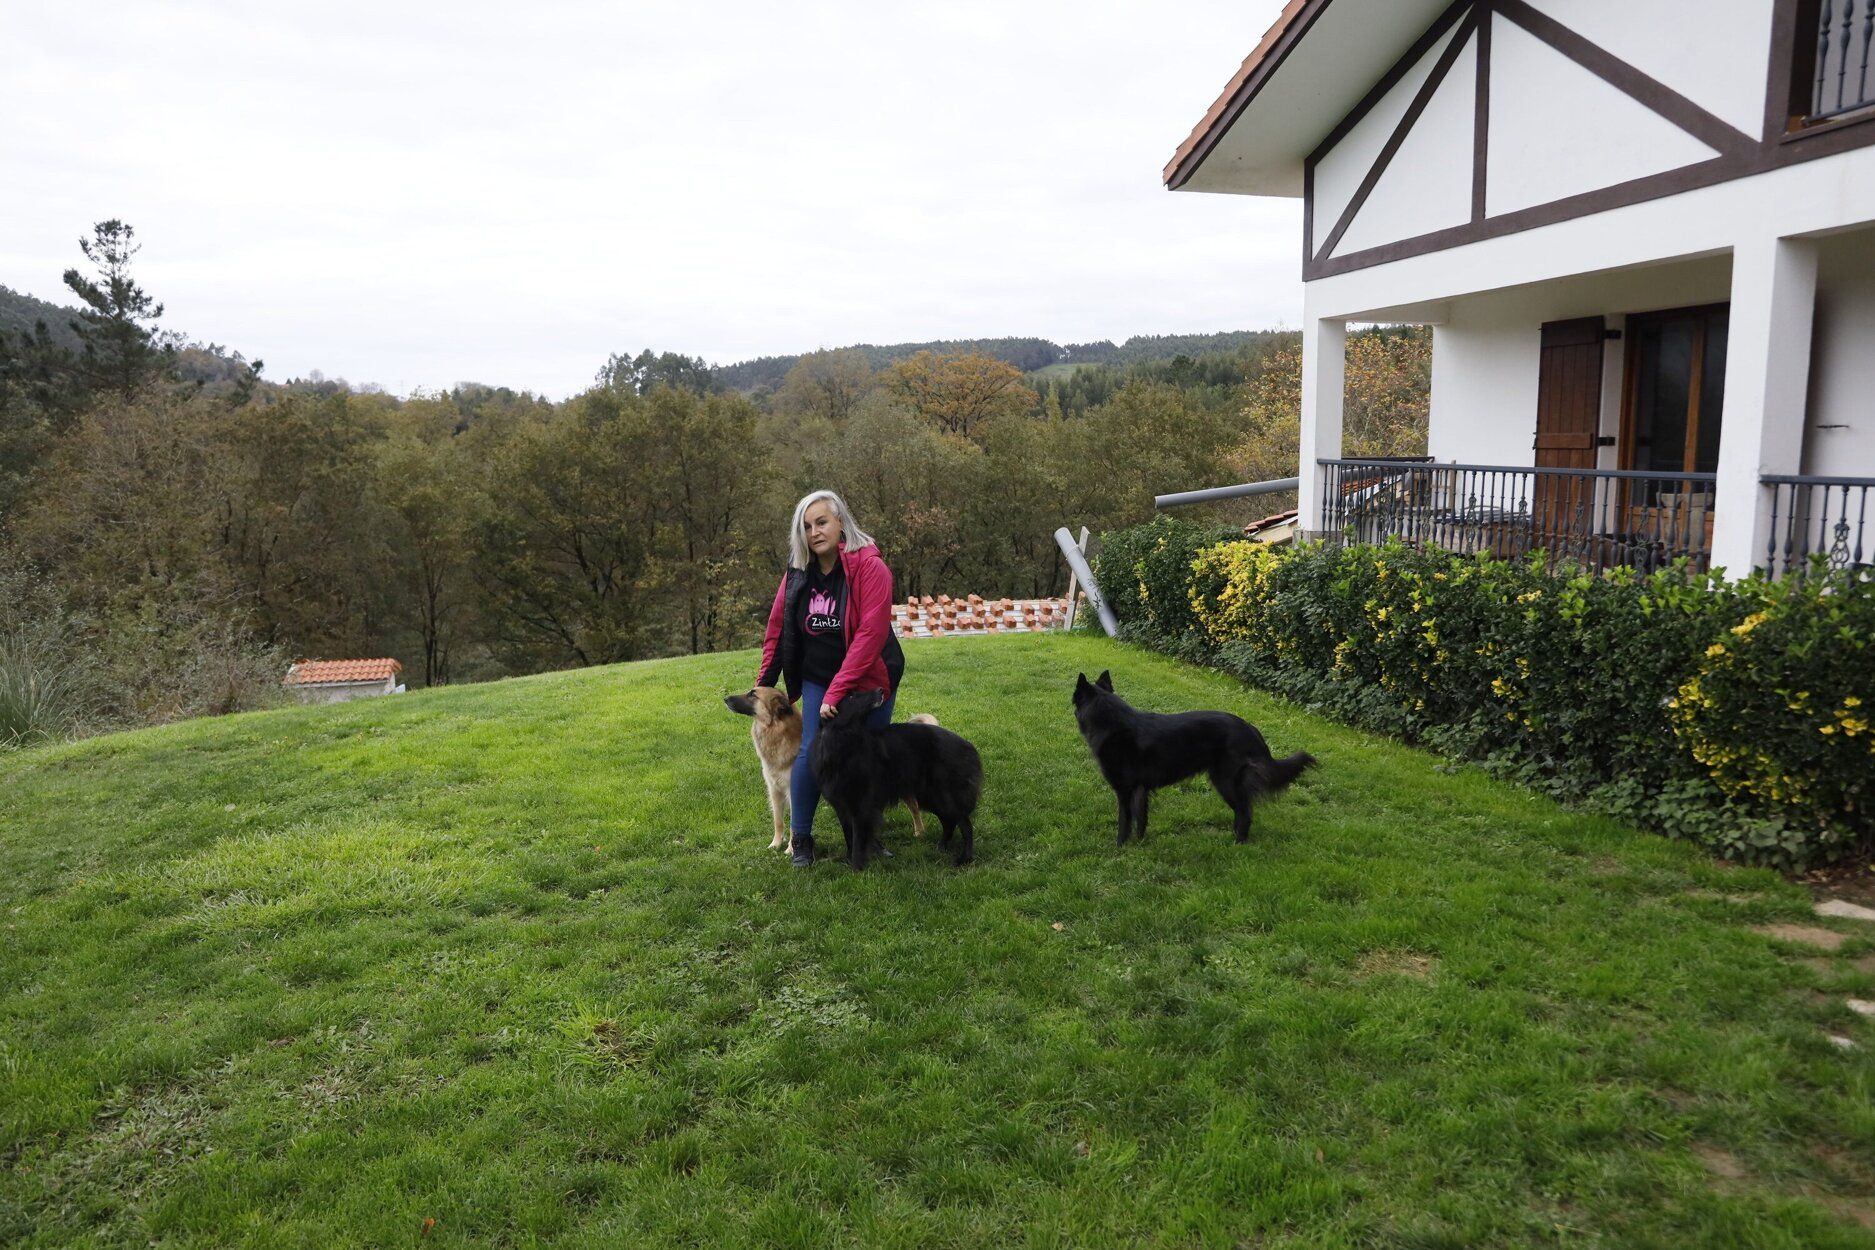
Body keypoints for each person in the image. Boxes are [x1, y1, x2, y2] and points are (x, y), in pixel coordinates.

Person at [756, 490, 905, 867]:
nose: (814, 532)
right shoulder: (797, 573)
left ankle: (865, 837)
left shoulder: (871, 568)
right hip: (818, 676)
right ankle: (802, 839)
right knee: (809, 753)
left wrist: (838, 692)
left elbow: (870, 637)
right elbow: (778, 629)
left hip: (871, 675)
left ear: (841, 523)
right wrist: (764, 686)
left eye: (821, 522)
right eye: (806, 527)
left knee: (868, 755)